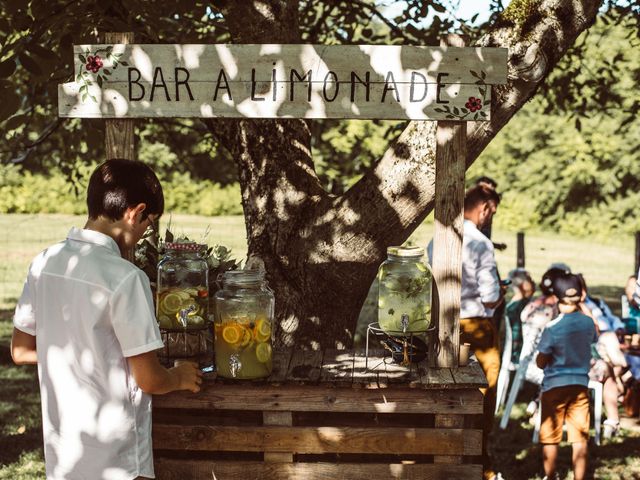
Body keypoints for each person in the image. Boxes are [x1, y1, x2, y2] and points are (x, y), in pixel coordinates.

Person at [11, 159, 203, 480]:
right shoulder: (126, 278)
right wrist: (180, 376)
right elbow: (149, 379)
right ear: (135, 212)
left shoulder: (43, 263)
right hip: (118, 459)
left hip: (63, 452)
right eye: (149, 222)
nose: (145, 233)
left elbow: (21, 351)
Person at [435, 183, 504, 480]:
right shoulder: (479, 242)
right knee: (483, 395)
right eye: (491, 212)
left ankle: (447, 452)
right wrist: (502, 293)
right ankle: (480, 462)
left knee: (448, 392)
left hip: (443, 325)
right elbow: (489, 296)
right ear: (484, 208)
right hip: (476, 325)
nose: (489, 218)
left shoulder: (438, 238)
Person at [536, 272, 597, 480]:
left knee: (550, 437)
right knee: (579, 437)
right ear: (580, 297)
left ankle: (550, 476)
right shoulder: (588, 324)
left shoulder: (552, 328)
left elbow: (541, 361)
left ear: (556, 299)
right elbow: (594, 336)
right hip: (580, 385)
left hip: (554, 386)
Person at [577, 274, 626, 439]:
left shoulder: (596, 303)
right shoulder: (577, 310)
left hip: (569, 364)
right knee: (607, 371)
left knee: (607, 364)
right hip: (577, 366)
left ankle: (611, 420)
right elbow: (593, 331)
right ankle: (612, 421)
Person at [505, 269, 536, 364]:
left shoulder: (524, 303)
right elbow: (515, 337)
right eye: (530, 280)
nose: (534, 283)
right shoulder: (516, 308)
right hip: (518, 358)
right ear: (522, 285)